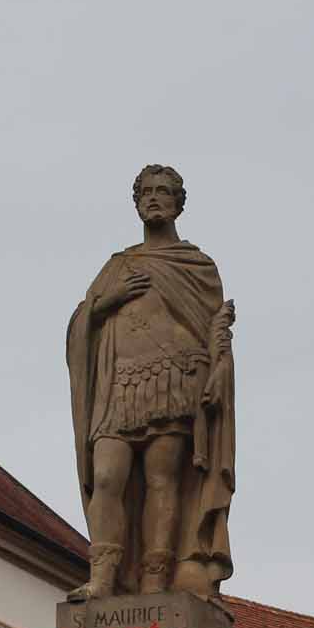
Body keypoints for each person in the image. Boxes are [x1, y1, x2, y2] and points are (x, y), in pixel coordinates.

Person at [65, 164, 235, 601]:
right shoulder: (118, 266)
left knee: (163, 479)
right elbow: (82, 323)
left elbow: (215, 333)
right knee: (107, 476)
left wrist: (216, 374)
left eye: (164, 191)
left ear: (179, 203)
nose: (155, 198)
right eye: (147, 192)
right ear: (137, 202)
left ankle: (157, 578)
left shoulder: (197, 266)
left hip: (174, 379)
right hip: (118, 385)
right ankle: (103, 575)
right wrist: (107, 303)